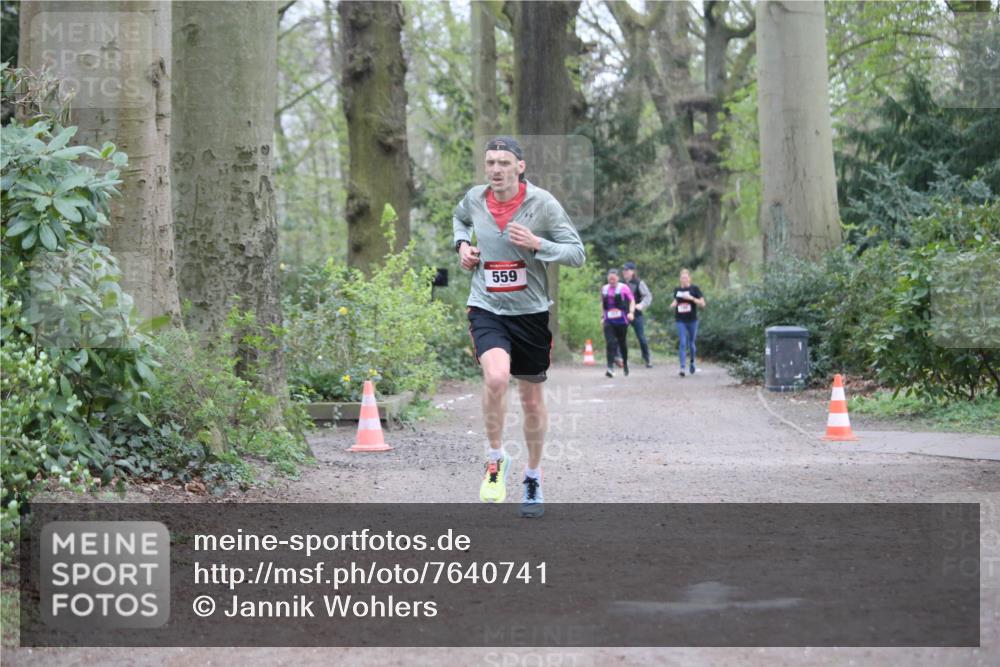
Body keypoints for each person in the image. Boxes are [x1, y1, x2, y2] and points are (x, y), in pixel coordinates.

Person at [453, 136, 585, 518]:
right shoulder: (475, 198)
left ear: (520, 167)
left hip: (529, 313)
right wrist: (462, 245)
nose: (495, 169)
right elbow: (460, 219)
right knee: (495, 378)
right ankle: (495, 460)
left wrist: (538, 243)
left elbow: (576, 252)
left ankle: (532, 475)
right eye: (490, 162)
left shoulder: (541, 203)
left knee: (530, 398)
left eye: (504, 163)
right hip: (486, 306)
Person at [669, 268, 706, 377]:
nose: (684, 280)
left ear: (689, 278)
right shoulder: (677, 290)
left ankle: (692, 362)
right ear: (680, 279)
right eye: (682, 278)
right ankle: (682, 367)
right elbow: (676, 300)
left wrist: (692, 298)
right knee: (682, 342)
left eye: (685, 277)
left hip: (692, 320)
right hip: (680, 320)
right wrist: (672, 304)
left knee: (691, 343)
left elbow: (703, 304)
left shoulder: (695, 289)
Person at [601, 268, 635, 378]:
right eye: (610, 279)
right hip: (609, 320)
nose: (612, 281)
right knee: (610, 343)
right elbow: (603, 303)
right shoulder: (604, 289)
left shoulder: (623, 288)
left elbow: (632, 300)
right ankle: (610, 368)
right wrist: (602, 316)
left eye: (614, 279)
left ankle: (625, 364)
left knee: (622, 343)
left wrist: (631, 312)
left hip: (621, 321)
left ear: (618, 278)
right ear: (607, 279)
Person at [620, 261, 653, 368]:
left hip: (636, 314)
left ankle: (647, 359)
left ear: (632, 271)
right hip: (623, 314)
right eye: (624, 270)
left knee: (641, 338)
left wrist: (641, 305)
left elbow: (648, 296)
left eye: (627, 270)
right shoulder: (620, 284)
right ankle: (620, 359)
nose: (624, 272)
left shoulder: (639, 283)